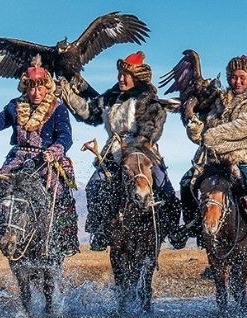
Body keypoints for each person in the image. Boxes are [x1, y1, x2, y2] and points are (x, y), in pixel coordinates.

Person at [59, 51, 183, 251]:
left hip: (142, 151)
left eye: (125, 75)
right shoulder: (112, 97)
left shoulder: (148, 100)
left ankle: (172, 229)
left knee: (164, 187)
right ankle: (98, 229)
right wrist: (69, 95)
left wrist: (132, 149)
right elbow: (89, 112)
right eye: (119, 74)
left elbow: (151, 130)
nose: (121, 78)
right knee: (94, 186)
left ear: (137, 77)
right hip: (112, 151)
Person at [0, 55, 80, 256]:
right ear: (25, 88)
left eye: (40, 88)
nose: (35, 93)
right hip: (17, 160)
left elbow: (65, 137)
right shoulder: (14, 105)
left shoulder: (58, 108)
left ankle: (64, 240)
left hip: (48, 161)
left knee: (61, 196)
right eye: (31, 88)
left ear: (47, 87)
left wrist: (53, 152)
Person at [179, 55, 247, 252]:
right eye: (233, 77)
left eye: (242, 76)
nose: (237, 81)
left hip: (243, 157)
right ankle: (192, 225)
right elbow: (204, 134)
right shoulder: (220, 100)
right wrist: (195, 125)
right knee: (186, 183)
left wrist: (211, 136)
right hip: (214, 160)